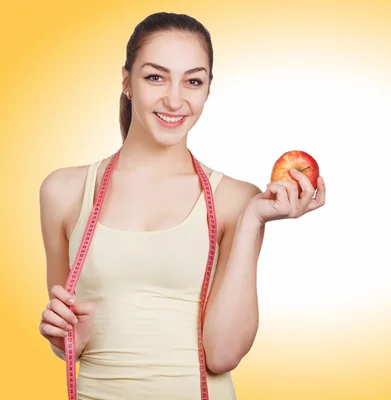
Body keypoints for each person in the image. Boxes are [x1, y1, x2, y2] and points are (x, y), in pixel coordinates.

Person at [37, 12, 326, 400]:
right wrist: (71, 340)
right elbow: (65, 338)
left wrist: (254, 219)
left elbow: (222, 355)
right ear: (126, 82)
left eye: (193, 81)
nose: (175, 99)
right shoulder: (65, 192)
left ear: (208, 89)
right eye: (155, 76)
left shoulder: (235, 200)